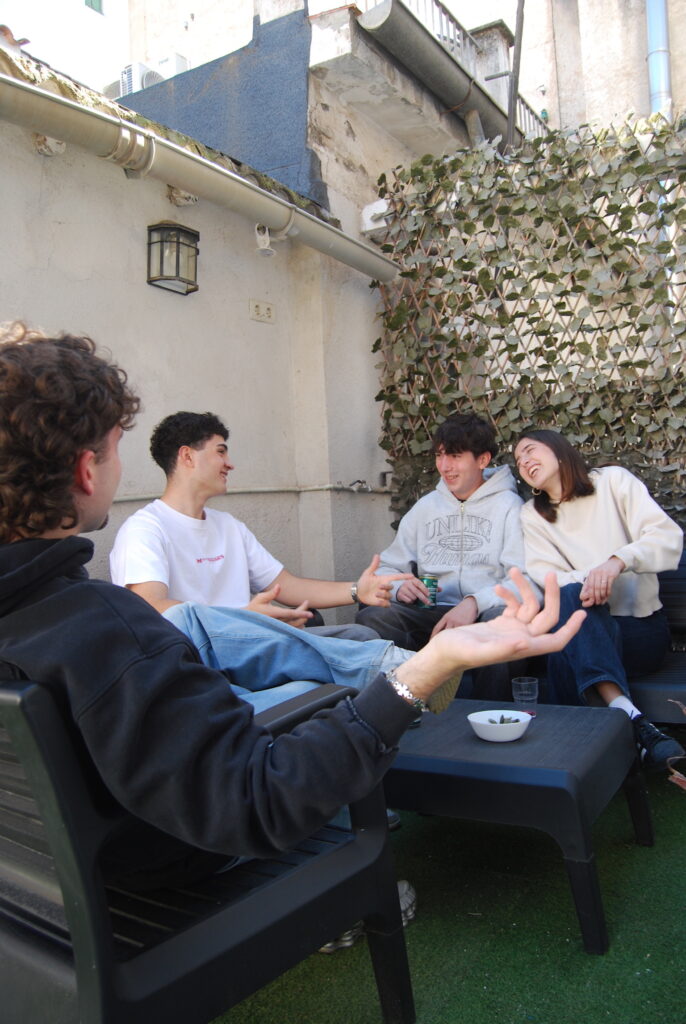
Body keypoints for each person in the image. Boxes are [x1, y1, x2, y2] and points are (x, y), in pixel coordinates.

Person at [0, 322, 584, 894]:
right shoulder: (109, 621)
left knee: (321, 640)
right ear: (84, 469)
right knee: (302, 673)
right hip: (165, 854)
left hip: (69, 855)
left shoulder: (61, 619)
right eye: (112, 451)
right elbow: (258, 803)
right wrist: (415, 677)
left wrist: (359, 592)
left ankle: (376, 665)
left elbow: (286, 585)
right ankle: (382, 694)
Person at [110, 410, 407, 643]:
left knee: (361, 638)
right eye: (221, 451)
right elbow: (151, 608)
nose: (230, 463)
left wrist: (357, 590)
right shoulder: (145, 530)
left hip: (258, 641)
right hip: (204, 657)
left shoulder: (228, 527)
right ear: (187, 456)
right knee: (357, 651)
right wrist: (242, 619)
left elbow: (287, 587)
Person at [514, 428, 685, 770]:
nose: (525, 461)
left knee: (565, 651)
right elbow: (548, 577)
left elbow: (666, 537)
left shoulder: (613, 482)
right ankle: (633, 722)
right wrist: (592, 580)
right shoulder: (533, 514)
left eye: (531, 451)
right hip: (585, 625)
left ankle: (579, 762)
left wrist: (617, 563)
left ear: (559, 450)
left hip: (639, 632)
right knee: (567, 603)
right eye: (518, 460)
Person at [356, 413, 533, 700]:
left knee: (506, 621)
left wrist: (474, 603)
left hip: (484, 613)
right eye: (440, 456)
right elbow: (389, 565)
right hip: (432, 612)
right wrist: (402, 586)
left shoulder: (510, 507)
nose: (445, 466)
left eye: (454, 456)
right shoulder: (426, 508)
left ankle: (487, 714)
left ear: (483, 460)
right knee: (375, 615)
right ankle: (398, 707)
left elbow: (522, 579)